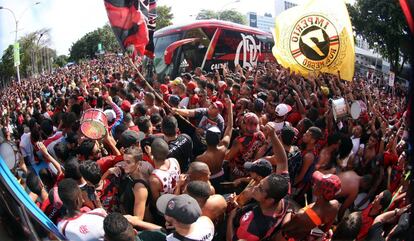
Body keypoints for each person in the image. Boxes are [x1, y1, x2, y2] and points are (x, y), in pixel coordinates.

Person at [282, 171, 341, 240]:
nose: (313, 185)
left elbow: (285, 227)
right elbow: (325, 229)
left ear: (321, 193)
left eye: (317, 184)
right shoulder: (335, 205)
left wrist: (289, 211)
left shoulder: (302, 215)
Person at [196, 97, 233, 192]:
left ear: (206, 140)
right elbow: (230, 127)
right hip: (221, 176)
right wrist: (230, 108)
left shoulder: (200, 158)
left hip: (209, 180)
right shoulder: (223, 146)